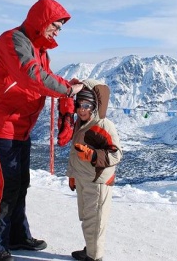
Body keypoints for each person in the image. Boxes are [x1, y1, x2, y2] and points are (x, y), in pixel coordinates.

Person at [0, 0, 83, 261]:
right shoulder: (12, 41)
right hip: (2, 125)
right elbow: (32, 76)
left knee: (21, 183)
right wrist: (68, 89)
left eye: (60, 27)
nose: (58, 31)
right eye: (56, 25)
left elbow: (45, 78)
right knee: (7, 185)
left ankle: (17, 236)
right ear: (42, 21)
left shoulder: (39, 49)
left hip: (20, 125)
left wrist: (66, 89)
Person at [66, 79, 123, 261]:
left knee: (95, 221)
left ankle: (95, 257)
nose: (81, 109)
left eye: (86, 105)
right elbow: (74, 153)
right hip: (83, 178)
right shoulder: (80, 123)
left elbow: (116, 155)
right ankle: (90, 249)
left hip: (97, 182)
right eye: (79, 104)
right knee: (86, 218)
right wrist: (72, 175)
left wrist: (92, 155)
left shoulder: (103, 125)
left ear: (95, 106)